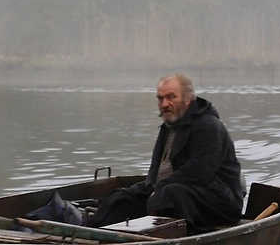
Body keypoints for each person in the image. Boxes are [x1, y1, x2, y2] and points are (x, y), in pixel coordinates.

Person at [86, 74, 244, 233]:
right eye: (160, 99)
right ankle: (90, 232)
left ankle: (162, 237)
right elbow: (158, 169)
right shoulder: (169, 126)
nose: (164, 104)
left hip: (219, 200)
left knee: (169, 195)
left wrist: (161, 187)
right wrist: (150, 187)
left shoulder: (208, 126)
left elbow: (200, 171)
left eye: (171, 97)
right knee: (123, 196)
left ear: (187, 99)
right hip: (175, 190)